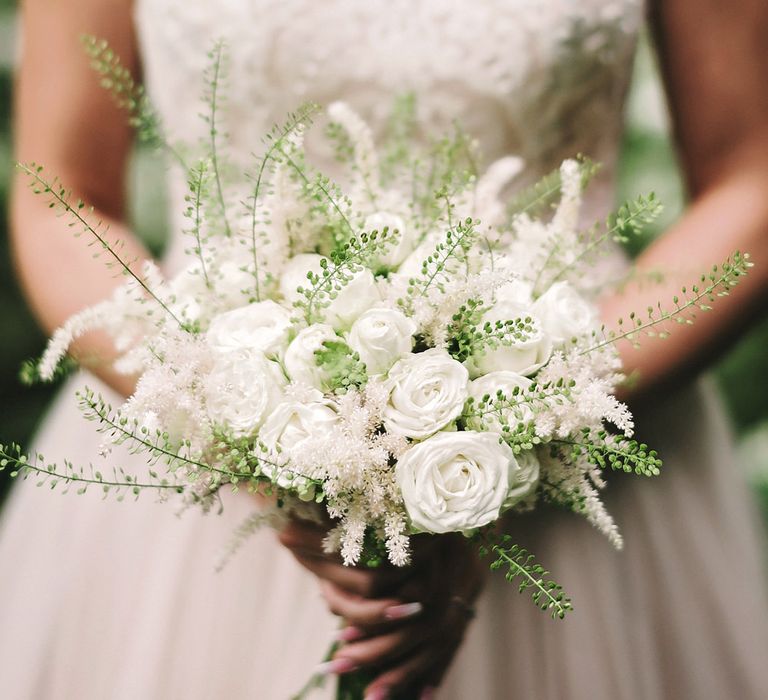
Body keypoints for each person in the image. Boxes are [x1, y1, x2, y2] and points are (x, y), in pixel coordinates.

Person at [1, 0, 768, 698]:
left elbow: (752, 181)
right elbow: (61, 195)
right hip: (196, 451)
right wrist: (257, 442)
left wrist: (532, 414)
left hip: (585, 448)